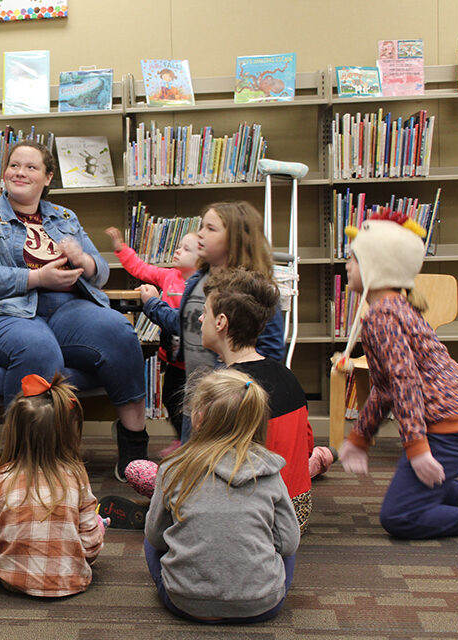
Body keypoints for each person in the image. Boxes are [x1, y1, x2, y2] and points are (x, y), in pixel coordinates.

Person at [0, 140, 148, 480]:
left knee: (119, 331)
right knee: (37, 345)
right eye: (14, 165)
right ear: (3, 174)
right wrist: (35, 278)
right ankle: (26, 462)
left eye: (31, 167)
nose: (20, 172)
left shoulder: (64, 217)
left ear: (48, 177)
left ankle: (134, 444)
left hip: (64, 308)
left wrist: (83, 259)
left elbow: (100, 273)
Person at [336, 213, 458, 539]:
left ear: (376, 267)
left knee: (401, 516)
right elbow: (385, 387)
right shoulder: (392, 308)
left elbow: (405, 382)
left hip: (447, 428)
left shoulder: (383, 317)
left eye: (354, 258)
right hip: (455, 422)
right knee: (423, 492)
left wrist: (417, 448)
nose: (347, 265)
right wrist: (360, 438)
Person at [144, 368, 300, 623]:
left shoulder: (173, 468)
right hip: (261, 605)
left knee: (151, 536)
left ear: (199, 417)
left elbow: (156, 537)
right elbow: (289, 543)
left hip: (184, 603)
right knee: (289, 540)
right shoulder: (270, 471)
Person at [140, 201, 285, 442]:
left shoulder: (254, 290)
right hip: (195, 399)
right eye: (201, 226)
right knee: (195, 468)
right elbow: (187, 327)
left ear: (236, 239)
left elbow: (271, 351)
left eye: (211, 228)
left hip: (230, 408)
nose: (200, 234)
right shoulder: (197, 280)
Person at [201, 268, 333, 531]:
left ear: (221, 322)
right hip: (296, 513)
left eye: (205, 312)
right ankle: (325, 458)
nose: (200, 318)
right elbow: (304, 446)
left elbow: (212, 466)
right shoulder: (287, 375)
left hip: (255, 519)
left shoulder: (224, 389)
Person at [0, 373, 104, 597]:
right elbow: (90, 548)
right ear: (67, 434)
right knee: (94, 523)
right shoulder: (76, 476)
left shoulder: (1, 478)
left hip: (11, 581)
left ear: (14, 432)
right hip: (72, 580)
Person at [107, 227, 198, 457]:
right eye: (178, 246)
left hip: (197, 363)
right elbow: (141, 269)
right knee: (170, 398)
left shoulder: (201, 287)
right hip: (173, 361)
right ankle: (181, 439)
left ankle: (193, 444)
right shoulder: (168, 276)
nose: (177, 251)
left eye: (186, 249)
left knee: (195, 406)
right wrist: (121, 250)